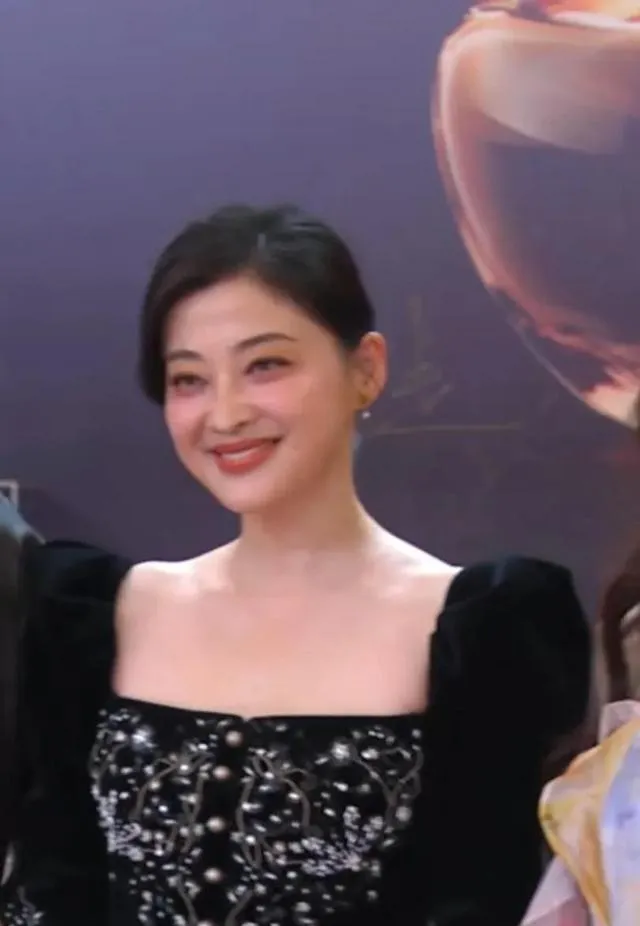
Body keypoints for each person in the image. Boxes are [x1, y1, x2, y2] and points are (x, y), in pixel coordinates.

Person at [0, 204, 592, 926]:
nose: (225, 414)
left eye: (266, 366)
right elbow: (49, 887)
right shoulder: (96, 616)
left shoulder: (482, 632)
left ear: (366, 369)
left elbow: (486, 896)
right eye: (189, 379)